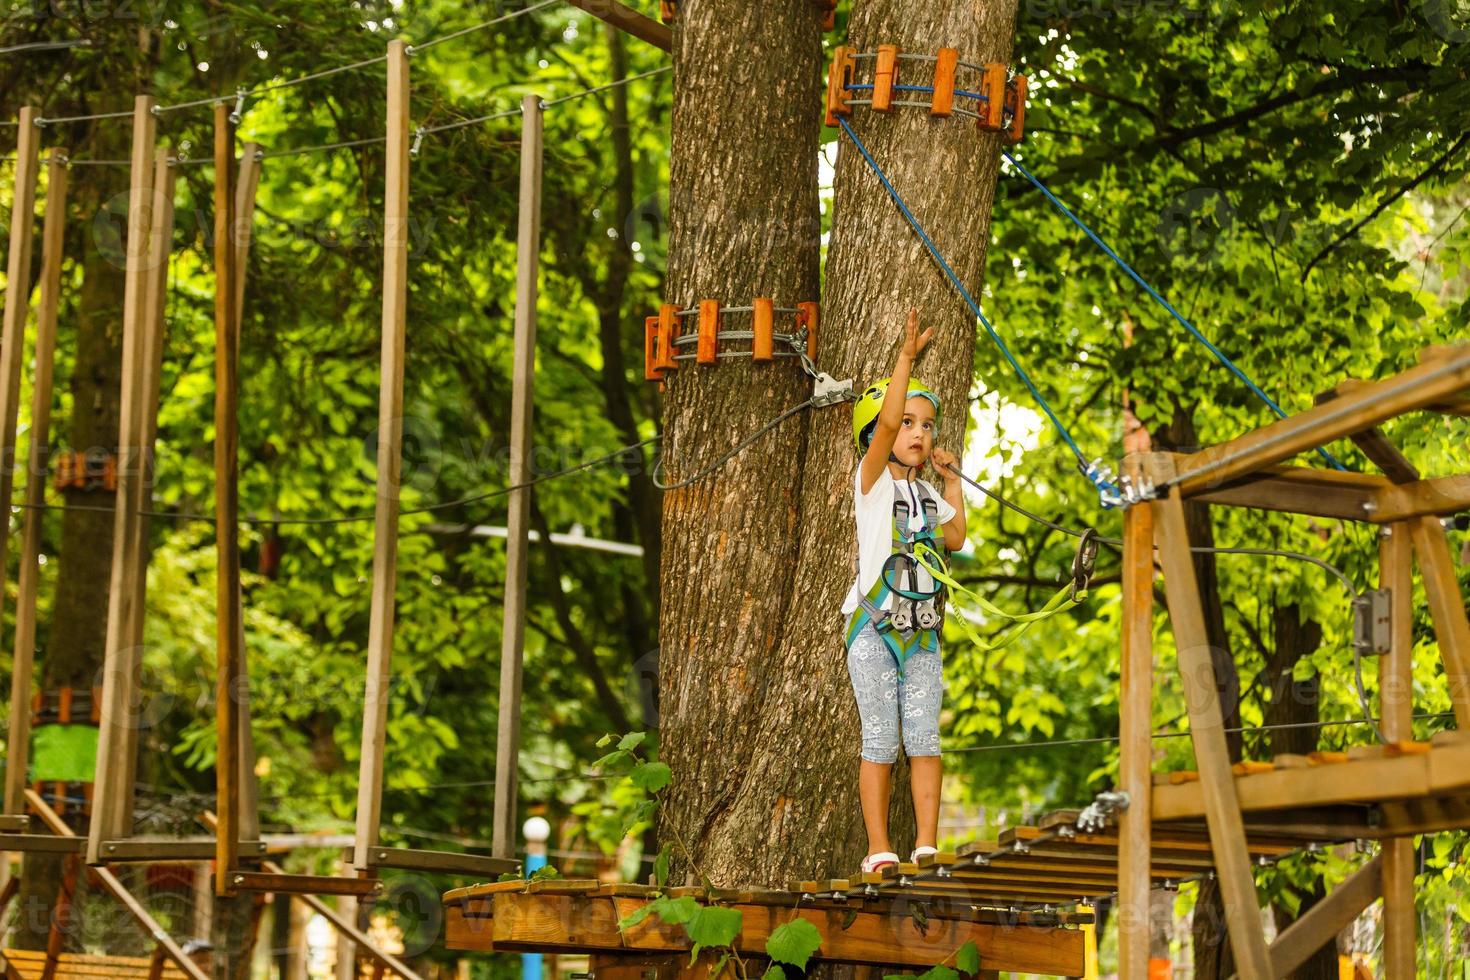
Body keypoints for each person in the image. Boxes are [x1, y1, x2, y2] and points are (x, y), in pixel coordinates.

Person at [842, 308, 966, 874]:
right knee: (880, 738)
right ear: (877, 436)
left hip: (922, 636)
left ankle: (926, 843)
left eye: (927, 426)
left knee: (923, 737)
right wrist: (905, 359)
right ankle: (878, 847)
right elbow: (887, 425)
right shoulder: (869, 483)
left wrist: (952, 479)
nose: (918, 433)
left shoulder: (925, 495)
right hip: (874, 631)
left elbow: (957, 536)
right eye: (909, 424)